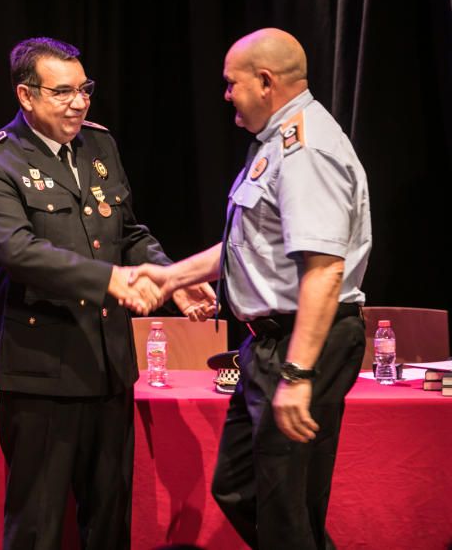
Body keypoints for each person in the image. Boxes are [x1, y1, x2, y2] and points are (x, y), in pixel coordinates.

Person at [0, 37, 215, 549]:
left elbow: (127, 232)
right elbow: (18, 251)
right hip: (42, 374)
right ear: (26, 96)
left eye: (84, 90)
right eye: (63, 92)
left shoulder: (100, 145)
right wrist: (109, 280)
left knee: (109, 521)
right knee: (38, 526)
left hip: (109, 366)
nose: (79, 103)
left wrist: (174, 280)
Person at [129, 28, 371, 549]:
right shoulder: (280, 142)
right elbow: (251, 243)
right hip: (268, 344)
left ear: (264, 82)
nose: (225, 95)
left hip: (304, 342)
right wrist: (173, 277)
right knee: (243, 488)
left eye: (230, 83)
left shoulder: (305, 149)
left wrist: (299, 372)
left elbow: (325, 269)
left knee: (283, 507)